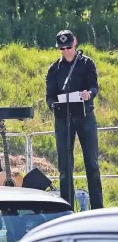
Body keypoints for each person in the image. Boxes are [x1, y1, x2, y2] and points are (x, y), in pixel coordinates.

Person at [46, 29, 103, 209]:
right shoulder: (54, 69)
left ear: (75, 43)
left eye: (68, 47)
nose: (66, 51)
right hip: (63, 119)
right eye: (61, 48)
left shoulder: (87, 64)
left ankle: (97, 208)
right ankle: (66, 209)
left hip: (85, 117)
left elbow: (94, 86)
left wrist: (89, 94)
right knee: (65, 167)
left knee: (92, 164)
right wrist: (54, 105)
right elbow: (49, 96)